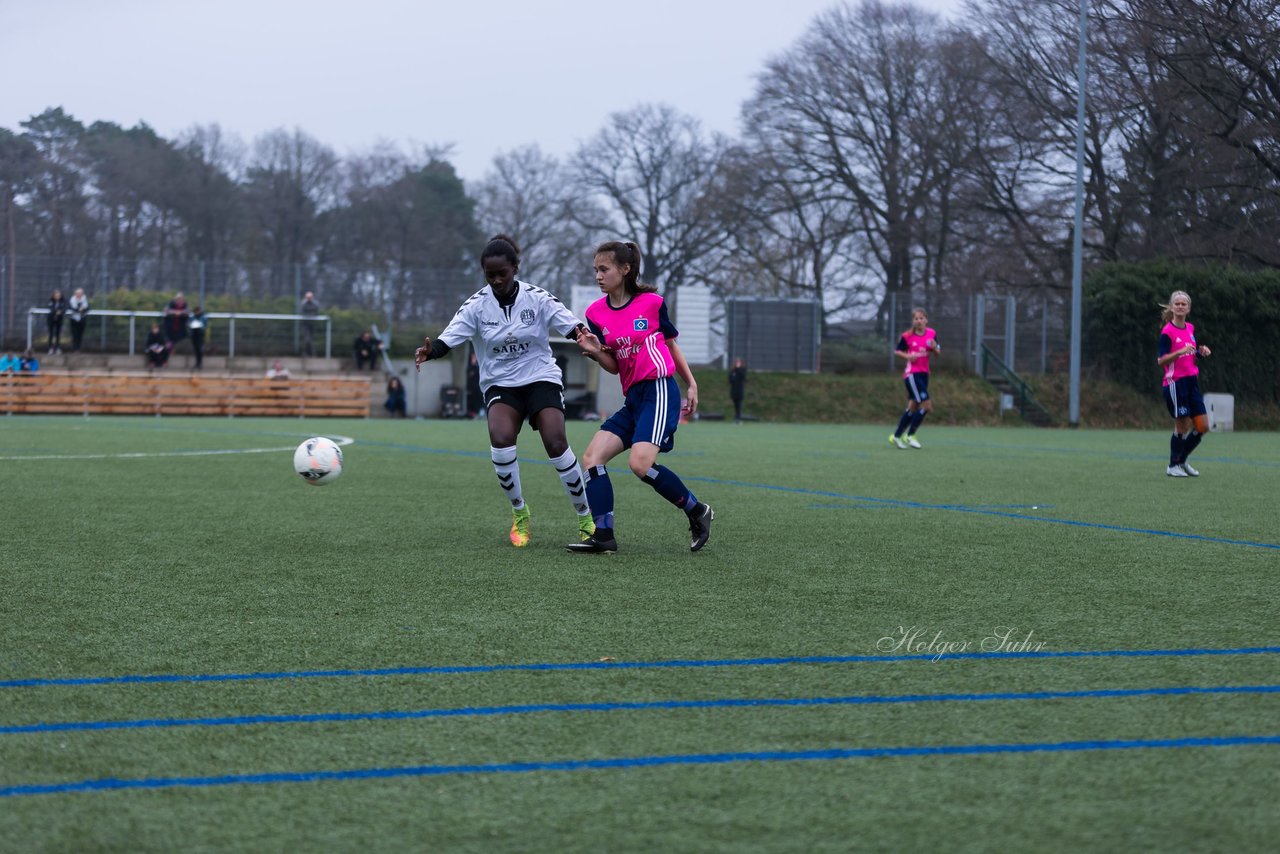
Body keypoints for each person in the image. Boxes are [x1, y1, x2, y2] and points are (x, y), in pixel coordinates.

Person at [414, 234, 594, 548]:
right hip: (500, 383)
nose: (497, 280)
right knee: (500, 440)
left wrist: (584, 336)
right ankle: (520, 512)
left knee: (555, 441)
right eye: (490, 275)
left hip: (541, 377)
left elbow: (571, 325)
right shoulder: (476, 305)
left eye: (503, 273)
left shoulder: (538, 298)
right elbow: (450, 337)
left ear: (515, 268)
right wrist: (431, 352)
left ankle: (584, 517)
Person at [567, 240, 715, 555]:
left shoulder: (651, 303)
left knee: (640, 464)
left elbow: (671, 345)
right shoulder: (595, 313)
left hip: (660, 388)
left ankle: (697, 510)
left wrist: (691, 383)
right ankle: (603, 535)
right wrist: (595, 353)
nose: (598, 276)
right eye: (595, 270)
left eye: (604, 269)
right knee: (592, 459)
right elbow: (614, 365)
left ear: (625, 269)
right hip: (634, 397)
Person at [1157, 290, 1212, 477]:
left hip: (1192, 383)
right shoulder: (1167, 332)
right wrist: (1179, 352)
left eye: (1184, 304)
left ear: (1188, 308)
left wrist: (1200, 352)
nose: (1180, 306)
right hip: (1175, 384)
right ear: (1172, 307)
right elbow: (1161, 360)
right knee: (1182, 426)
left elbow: (1190, 352)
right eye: (1177, 303)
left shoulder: (1190, 328)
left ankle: (1182, 460)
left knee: (1202, 426)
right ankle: (1173, 466)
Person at [889, 308, 940, 449]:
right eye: (916, 318)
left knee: (913, 407)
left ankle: (897, 437)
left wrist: (935, 348)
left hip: (924, 374)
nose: (919, 321)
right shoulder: (907, 336)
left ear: (926, 320)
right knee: (927, 406)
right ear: (913, 321)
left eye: (921, 318)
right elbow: (897, 351)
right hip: (912, 374)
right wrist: (908, 356)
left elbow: (938, 353)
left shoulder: (932, 333)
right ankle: (910, 435)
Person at [68, 288, 90, 352]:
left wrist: (83, 309)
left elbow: (88, 308)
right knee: (75, 334)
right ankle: (75, 348)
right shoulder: (72, 300)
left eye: (80, 293)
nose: (79, 294)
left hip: (82, 319)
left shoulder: (85, 300)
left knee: (80, 334)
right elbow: (71, 308)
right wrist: (79, 309)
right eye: (77, 293)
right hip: (74, 319)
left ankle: (78, 348)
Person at [46, 289, 68, 354]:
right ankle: (50, 348)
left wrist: (61, 311)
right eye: (56, 295)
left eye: (58, 295)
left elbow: (65, 308)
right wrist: (56, 311)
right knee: (51, 334)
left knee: (58, 334)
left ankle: (58, 347)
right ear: (54, 296)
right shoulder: (51, 301)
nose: (57, 296)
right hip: (51, 320)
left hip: (59, 320)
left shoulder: (63, 301)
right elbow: (50, 308)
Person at [300, 291, 320, 356]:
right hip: (305, 324)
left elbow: (316, 312)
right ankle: (308, 353)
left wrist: (311, 315)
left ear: (312, 297)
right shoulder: (303, 304)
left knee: (312, 339)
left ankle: (310, 353)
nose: (308, 298)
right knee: (307, 339)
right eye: (307, 297)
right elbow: (302, 313)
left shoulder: (315, 304)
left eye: (310, 297)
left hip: (313, 324)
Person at [465, 349, 484, 417]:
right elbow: (470, 374)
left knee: (481, 398)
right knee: (473, 399)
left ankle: (482, 411)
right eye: (473, 356)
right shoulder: (470, 365)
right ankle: (473, 413)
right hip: (472, 386)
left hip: (480, 386)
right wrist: (473, 364)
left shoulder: (481, 363)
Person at [728, 358, 748, 422]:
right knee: (735, 405)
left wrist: (738, 369)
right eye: (736, 363)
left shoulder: (742, 370)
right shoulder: (733, 371)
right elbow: (731, 379)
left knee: (739, 405)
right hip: (734, 391)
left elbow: (743, 377)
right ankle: (736, 417)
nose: (737, 364)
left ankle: (738, 417)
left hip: (740, 391)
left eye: (739, 363)